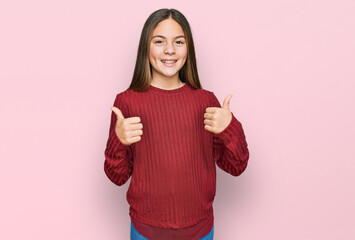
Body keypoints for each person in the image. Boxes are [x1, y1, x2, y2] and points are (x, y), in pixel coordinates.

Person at [103, 8, 249, 240]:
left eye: (178, 41)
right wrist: (118, 142)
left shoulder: (206, 101)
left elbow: (237, 166)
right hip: (145, 230)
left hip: (200, 230)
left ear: (188, 48)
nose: (169, 50)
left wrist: (230, 127)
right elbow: (116, 176)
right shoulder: (126, 102)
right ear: (146, 47)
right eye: (159, 41)